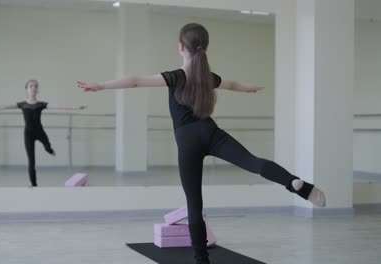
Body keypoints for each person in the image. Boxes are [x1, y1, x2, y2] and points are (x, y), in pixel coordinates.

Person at [77, 23, 325, 264]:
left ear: (180, 47)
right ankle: (295, 184)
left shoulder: (175, 77)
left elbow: (134, 81)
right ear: (204, 47)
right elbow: (232, 84)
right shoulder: (208, 77)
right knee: (253, 162)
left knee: (194, 203)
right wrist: (248, 89)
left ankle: (201, 259)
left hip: (188, 142)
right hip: (211, 132)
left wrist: (101, 86)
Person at [0, 79, 87, 187]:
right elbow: (4, 107)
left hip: (40, 131)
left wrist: (76, 107)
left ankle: (49, 149)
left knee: (48, 146)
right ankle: (34, 185)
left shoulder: (41, 104)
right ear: (26, 89)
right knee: (31, 161)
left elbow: (58, 107)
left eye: (36, 86)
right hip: (28, 135)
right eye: (31, 86)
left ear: (37, 90)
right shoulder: (22, 104)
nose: (33, 88)